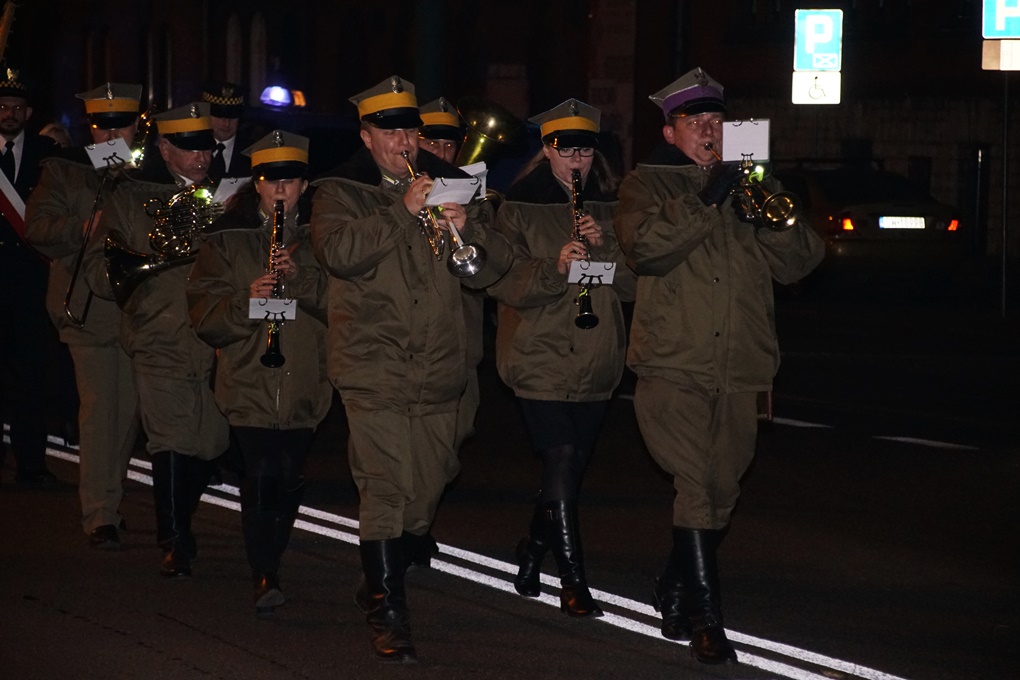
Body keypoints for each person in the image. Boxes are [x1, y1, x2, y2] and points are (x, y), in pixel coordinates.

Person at [614, 67, 825, 664]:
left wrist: (768, 213)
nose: (709, 131)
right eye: (695, 122)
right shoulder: (646, 185)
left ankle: (676, 585)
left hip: (742, 364)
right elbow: (647, 249)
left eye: (717, 121)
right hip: (673, 363)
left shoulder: (755, 184)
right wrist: (710, 197)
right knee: (697, 485)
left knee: (722, 490)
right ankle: (709, 618)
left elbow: (802, 263)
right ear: (670, 130)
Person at [310, 75, 512, 664]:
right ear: (367, 136)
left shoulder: (451, 186)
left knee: (424, 493)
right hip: (374, 365)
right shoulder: (340, 192)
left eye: (410, 130)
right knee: (384, 486)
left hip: (441, 365)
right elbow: (339, 254)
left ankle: (380, 575)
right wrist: (403, 210)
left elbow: (490, 270)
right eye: (391, 130)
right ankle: (388, 610)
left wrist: (466, 226)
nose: (405, 139)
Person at [487, 99, 635, 618]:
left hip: (597, 358)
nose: (577, 159)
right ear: (546, 150)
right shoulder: (518, 207)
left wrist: (608, 253)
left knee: (567, 474)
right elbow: (502, 282)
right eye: (564, 148)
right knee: (562, 456)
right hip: (537, 353)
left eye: (585, 149)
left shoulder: (613, 206)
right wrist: (555, 266)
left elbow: (641, 283)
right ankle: (574, 580)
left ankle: (532, 550)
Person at [83, 102, 229, 578]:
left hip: (214, 337)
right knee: (170, 436)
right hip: (159, 332)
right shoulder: (131, 196)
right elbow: (99, 270)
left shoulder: (227, 195)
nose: (200, 157)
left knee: (211, 441)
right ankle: (174, 539)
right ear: (165, 148)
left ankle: (178, 519)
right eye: (188, 148)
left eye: (205, 147)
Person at [187, 130, 329, 617]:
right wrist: (251, 300)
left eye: (291, 180)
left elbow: (350, 309)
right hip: (248, 379)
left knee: (288, 476)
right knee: (261, 474)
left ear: (304, 186)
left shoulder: (323, 239)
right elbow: (205, 317)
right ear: (258, 184)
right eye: (272, 180)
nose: (282, 189)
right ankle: (264, 571)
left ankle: (272, 555)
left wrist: (301, 281)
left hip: (306, 381)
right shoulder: (226, 239)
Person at [24, 83, 143, 548]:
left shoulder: (146, 172)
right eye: (103, 124)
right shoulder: (65, 171)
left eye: (122, 123)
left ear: (137, 124)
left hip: (136, 311)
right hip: (87, 309)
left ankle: (108, 501)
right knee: (99, 411)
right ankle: (99, 512)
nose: (113, 132)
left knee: (128, 413)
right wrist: (81, 226)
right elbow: (37, 228)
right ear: (91, 126)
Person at [0, 67, 61, 488]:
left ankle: (31, 465)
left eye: (17, 108)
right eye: (2, 107)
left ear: (29, 112)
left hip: (31, 281)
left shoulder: (47, 153)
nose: (9, 114)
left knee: (30, 377)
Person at [201, 81, 251, 182]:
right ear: (207, 115)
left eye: (232, 117)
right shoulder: (193, 149)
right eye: (220, 116)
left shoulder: (251, 151)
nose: (226, 123)